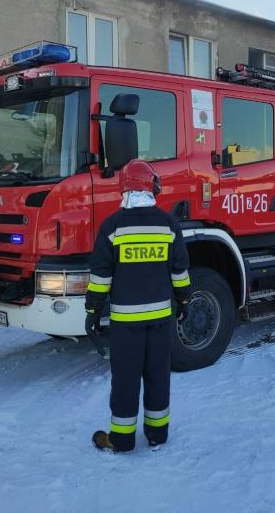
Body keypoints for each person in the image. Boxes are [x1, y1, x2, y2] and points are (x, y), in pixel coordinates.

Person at [86, 159, 193, 452]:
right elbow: (180, 272)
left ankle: (121, 439)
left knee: (126, 379)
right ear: (152, 187)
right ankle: (158, 434)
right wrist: (184, 301)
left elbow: (101, 276)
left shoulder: (112, 226)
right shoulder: (169, 224)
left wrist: (92, 311)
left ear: (124, 189)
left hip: (126, 323)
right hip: (161, 320)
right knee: (158, 376)